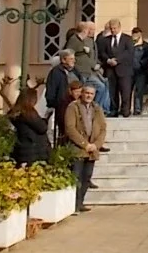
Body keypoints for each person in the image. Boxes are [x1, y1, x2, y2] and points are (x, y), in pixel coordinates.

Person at [62, 82, 105, 212]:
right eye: (86, 93)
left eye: (91, 94)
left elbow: (103, 128)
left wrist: (96, 145)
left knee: (87, 177)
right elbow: (70, 128)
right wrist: (84, 144)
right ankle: (73, 205)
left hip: (92, 149)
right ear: (82, 93)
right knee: (77, 177)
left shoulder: (97, 108)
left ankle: (80, 203)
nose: (88, 96)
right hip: (78, 149)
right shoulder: (73, 107)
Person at [97, 20, 135, 118]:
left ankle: (125, 110)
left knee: (125, 91)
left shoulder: (127, 39)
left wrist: (117, 60)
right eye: (111, 28)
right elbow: (102, 53)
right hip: (110, 69)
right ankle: (114, 110)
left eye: (115, 28)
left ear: (119, 27)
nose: (113, 30)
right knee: (112, 91)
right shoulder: (106, 40)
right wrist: (108, 60)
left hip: (124, 69)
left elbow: (129, 53)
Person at [8, 87, 51, 167]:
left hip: (23, 150)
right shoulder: (29, 113)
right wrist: (45, 119)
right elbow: (42, 128)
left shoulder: (16, 113)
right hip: (34, 151)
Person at [44, 50, 79, 144]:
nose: (74, 61)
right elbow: (51, 90)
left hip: (76, 104)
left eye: (74, 58)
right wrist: (53, 103)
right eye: (71, 59)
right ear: (63, 60)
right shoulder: (55, 72)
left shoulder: (75, 71)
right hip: (63, 106)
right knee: (65, 130)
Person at [130, 28, 148, 115]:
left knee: (139, 90)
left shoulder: (146, 46)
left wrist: (141, 63)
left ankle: (137, 109)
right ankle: (126, 108)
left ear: (140, 34)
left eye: (137, 33)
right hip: (129, 70)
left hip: (141, 71)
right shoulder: (129, 44)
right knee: (128, 90)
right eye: (133, 33)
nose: (135, 35)